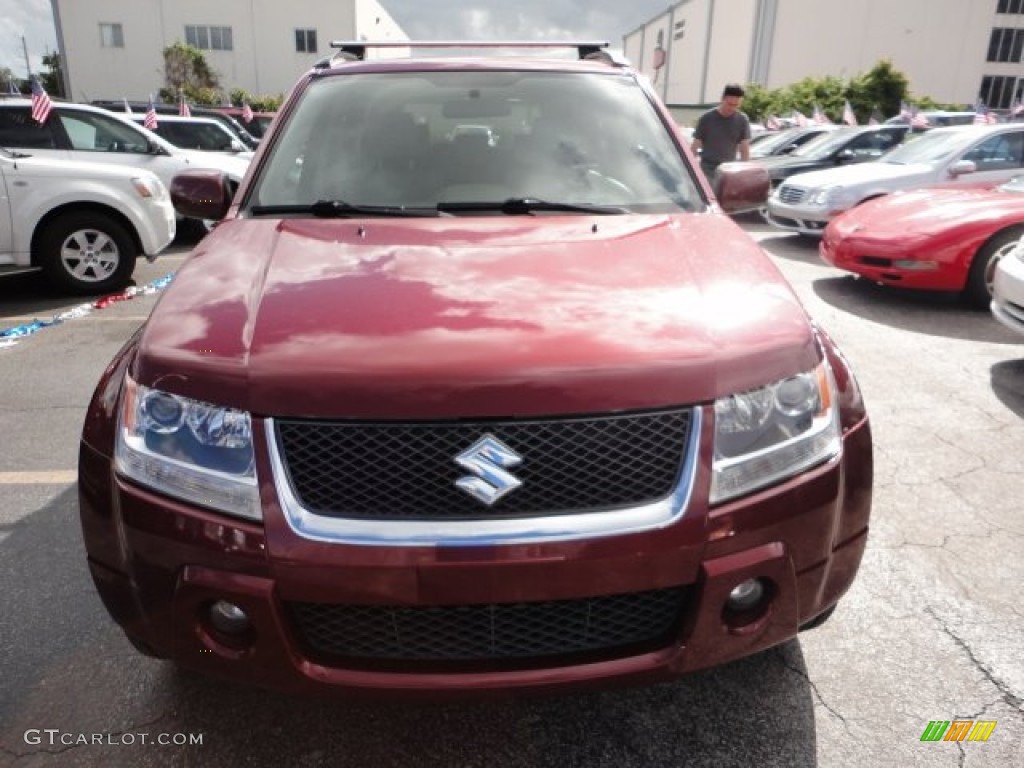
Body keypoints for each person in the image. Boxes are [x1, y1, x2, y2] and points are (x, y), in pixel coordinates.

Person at [691, 84, 751, 186]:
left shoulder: (742, 120)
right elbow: (695, 145)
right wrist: (691, 168)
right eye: (729, 104)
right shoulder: (707, 118)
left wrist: (745, 172)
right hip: (707, 170)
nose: (732, 108)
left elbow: (744, 148)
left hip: (728, 171)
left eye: (736, 105)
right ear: (722, 99)